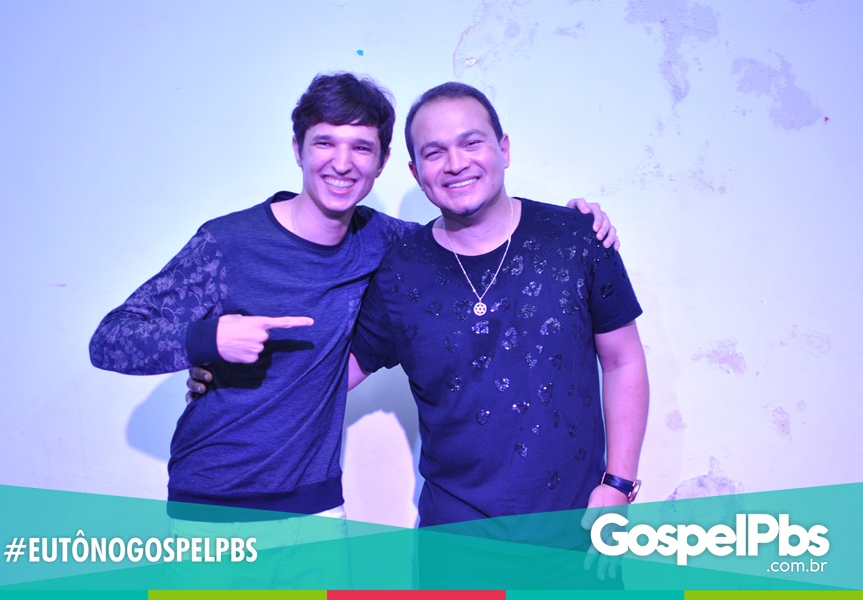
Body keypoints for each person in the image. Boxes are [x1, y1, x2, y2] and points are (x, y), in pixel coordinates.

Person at [92, 72, 615, 521]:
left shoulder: (388, 243)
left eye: (361, 148)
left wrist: (573, 222)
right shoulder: (228, 244)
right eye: (324, 143)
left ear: (383, 162)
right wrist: (208, 340)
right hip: (214, 500)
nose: (342, 163)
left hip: (316, 503)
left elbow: (467, 232)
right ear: (297, 149)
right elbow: (110, 340)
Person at [346, 82, 649, 585]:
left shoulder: (576, 239)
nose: (456, 163)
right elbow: (329, 380)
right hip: (456, 549)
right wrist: (223, 366)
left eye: (472, 142)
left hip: (578, 537)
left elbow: (624, 361)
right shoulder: (399, 273)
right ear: (416, 172)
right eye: (434, 152)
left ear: (503, 149)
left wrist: (618, 485)